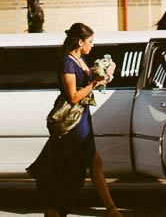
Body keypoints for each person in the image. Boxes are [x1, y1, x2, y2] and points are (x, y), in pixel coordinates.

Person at [28, 22, 122, 217]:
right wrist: (95, 82)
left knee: (94, 163)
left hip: (83, 116)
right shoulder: (67, 62)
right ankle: (55, 209)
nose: (93, 45)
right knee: (74, 168)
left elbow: (86, 85)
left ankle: (110, 209)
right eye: (90, 42)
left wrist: (101, 76)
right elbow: (72, 96)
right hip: (73, 121)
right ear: (80, 42)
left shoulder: (80, 59)